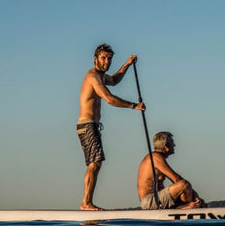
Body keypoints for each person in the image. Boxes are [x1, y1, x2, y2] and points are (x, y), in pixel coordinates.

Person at [77, 43, 145, 211]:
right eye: (103, 58)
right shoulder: (93, 76)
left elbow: (114, 80)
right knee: (95, 163)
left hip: (92, 125)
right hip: (87, 125)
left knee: (96, 163)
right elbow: (109, 98)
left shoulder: (101, 76)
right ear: (95, 59)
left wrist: (127, 64)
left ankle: (86, 202)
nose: (107, 61)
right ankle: (86, 203)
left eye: (109, 58)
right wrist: (133, 106)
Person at [137, 131, 205, 210]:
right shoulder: (155, 157)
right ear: (166, 146)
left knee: (183, 189)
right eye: (172, 143)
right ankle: (190, 207)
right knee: (184, 184)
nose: (174, 145)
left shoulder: (157, 157)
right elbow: (176, 178)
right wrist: (196, 196)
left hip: (157, 199)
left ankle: (187, 207)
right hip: (150, 201)